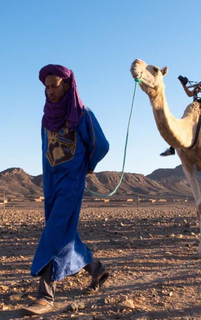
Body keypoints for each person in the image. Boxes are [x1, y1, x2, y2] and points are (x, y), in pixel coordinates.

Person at [21, 65, 110, 316]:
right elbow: (45, 151)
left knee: (54, 231)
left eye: (54, 85)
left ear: (68, 85)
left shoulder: (82, 114)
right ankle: (97, 269)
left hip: (71, 182)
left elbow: (101, 145)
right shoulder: (46, 117)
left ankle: (45, 294)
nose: (49, 91)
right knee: (64, 232)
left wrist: (86, 166)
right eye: (46, 87)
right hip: (52, 183)